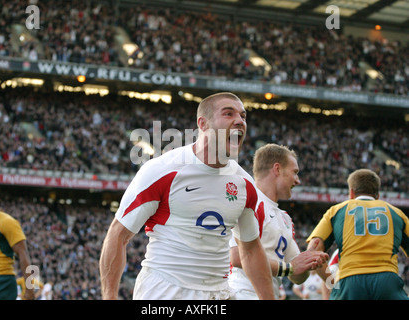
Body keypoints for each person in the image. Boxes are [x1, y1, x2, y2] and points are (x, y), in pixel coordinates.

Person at [99, 92, 274, 300]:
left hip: (219, 293)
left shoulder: (244, 184)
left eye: (243, 116)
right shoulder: (163, 171)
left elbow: (251, 249)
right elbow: (118, 235)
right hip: (166, 291)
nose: (239, 121)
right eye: (228, 114)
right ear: (203, 124)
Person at [228, 144, 329, 299]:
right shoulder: (248, 200)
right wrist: (288, 268)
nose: (298, 180)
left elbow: (296, 276)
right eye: (295, 172)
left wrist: (309, 261)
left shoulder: (285, 218)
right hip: (243, 292)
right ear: (277, 169)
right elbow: (236, 257)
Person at [307, 169, 409, 300]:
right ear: (378, 195)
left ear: (351, 192)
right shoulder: (396, 213)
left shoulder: (336, 211)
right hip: (387, 281)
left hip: (350, 281)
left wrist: (333, 284)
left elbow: (312, 252)